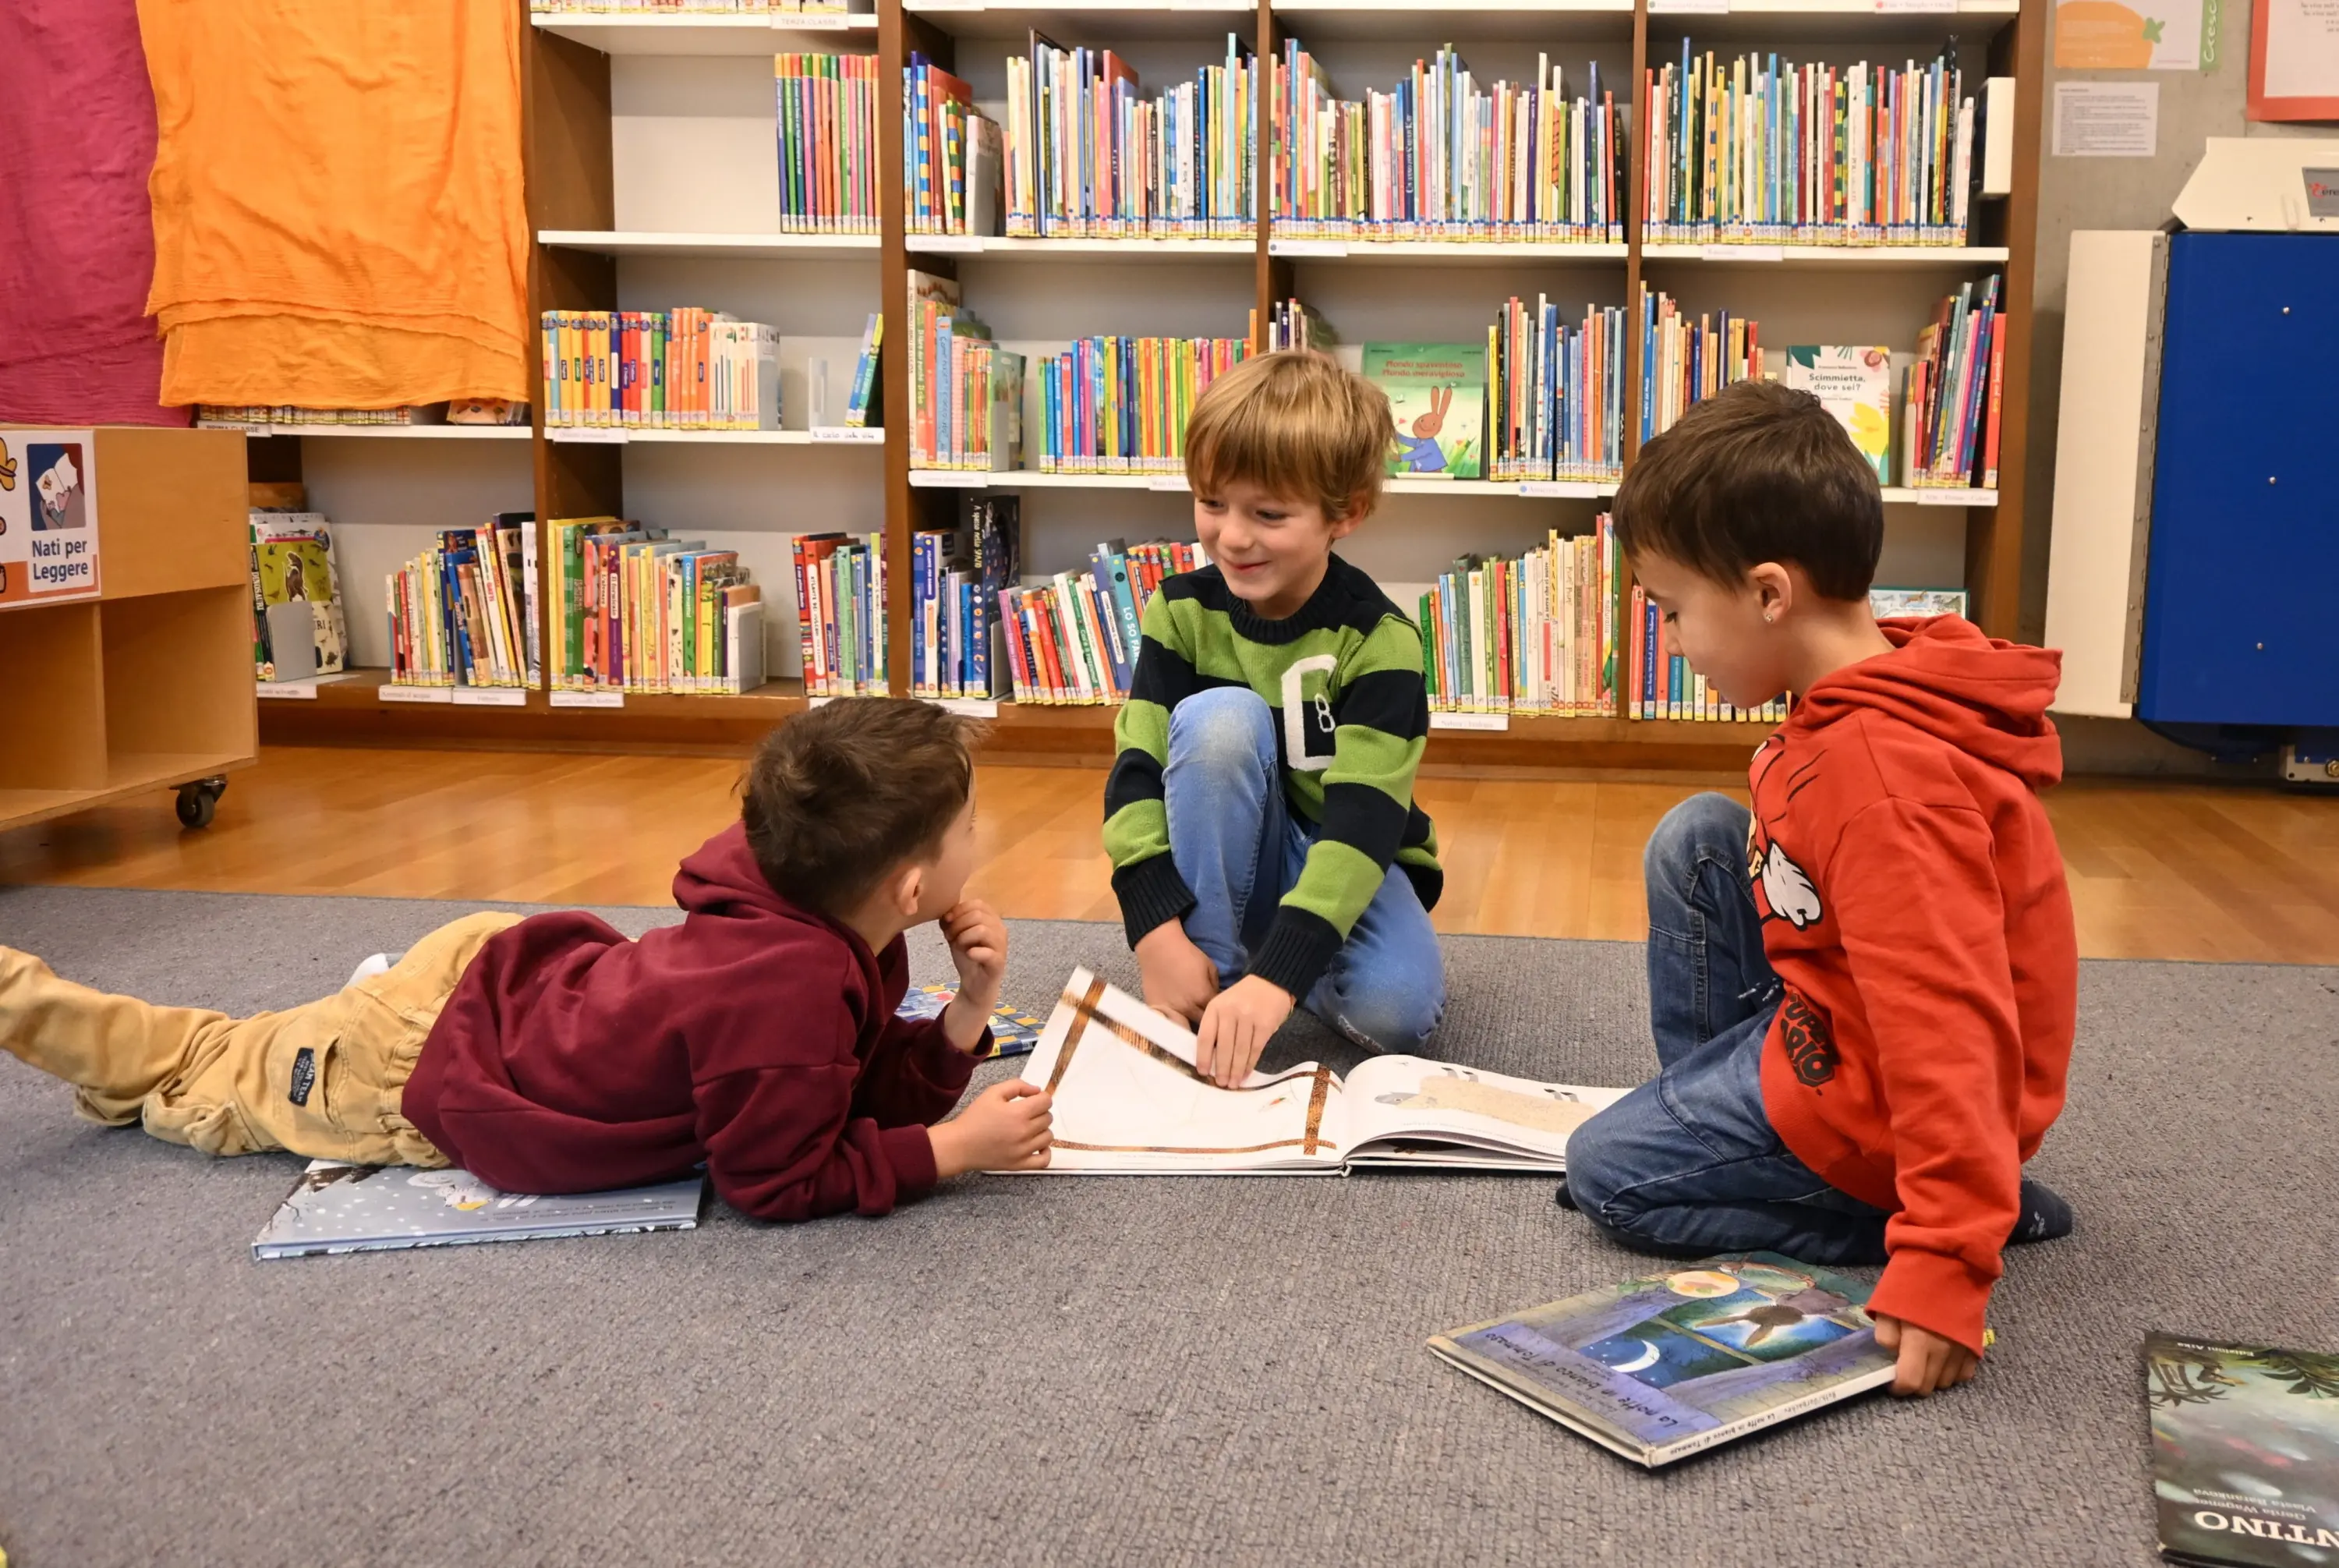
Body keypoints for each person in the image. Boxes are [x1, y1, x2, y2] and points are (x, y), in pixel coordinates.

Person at [0, 699, 1053, 1220]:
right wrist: (954, 1151)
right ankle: (31, 1002)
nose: (981, 838)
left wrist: (966, 1015)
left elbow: (838, 1084)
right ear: (910, 888)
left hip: (503, 978)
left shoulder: (818, 904)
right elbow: (777, 1175)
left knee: (259, 1044)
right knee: (203, 1074)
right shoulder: (782, 986)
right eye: (969, 823)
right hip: (422, 1064)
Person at [1560, 379, 2079, 1398]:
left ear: (1766, 593)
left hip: (1877, 1094)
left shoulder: (1880, 773)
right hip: (1831, 1019)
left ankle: (1912, 1207)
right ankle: (1751, 1130)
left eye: (1673, 610)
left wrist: (1942, 1256)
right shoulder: (1867, 682)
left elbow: (1945, 1020)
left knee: (1605, 1171)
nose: (1669, 639)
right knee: (1699, 842)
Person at [1105, 349, 1447, 1088]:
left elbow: (1363, 824)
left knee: (1397, 1019)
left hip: (1343, 852)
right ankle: (1210, 971)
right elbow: (1136, 773)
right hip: (1229, 844)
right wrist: (1153, 931)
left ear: (1344, 515)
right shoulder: (1181, 609)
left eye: (1268, 513)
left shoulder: (1380, 641)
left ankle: (1272, 963)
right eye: (1212, 502)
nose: (1232, 536)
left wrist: (1283, 976)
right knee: (1220, 721)